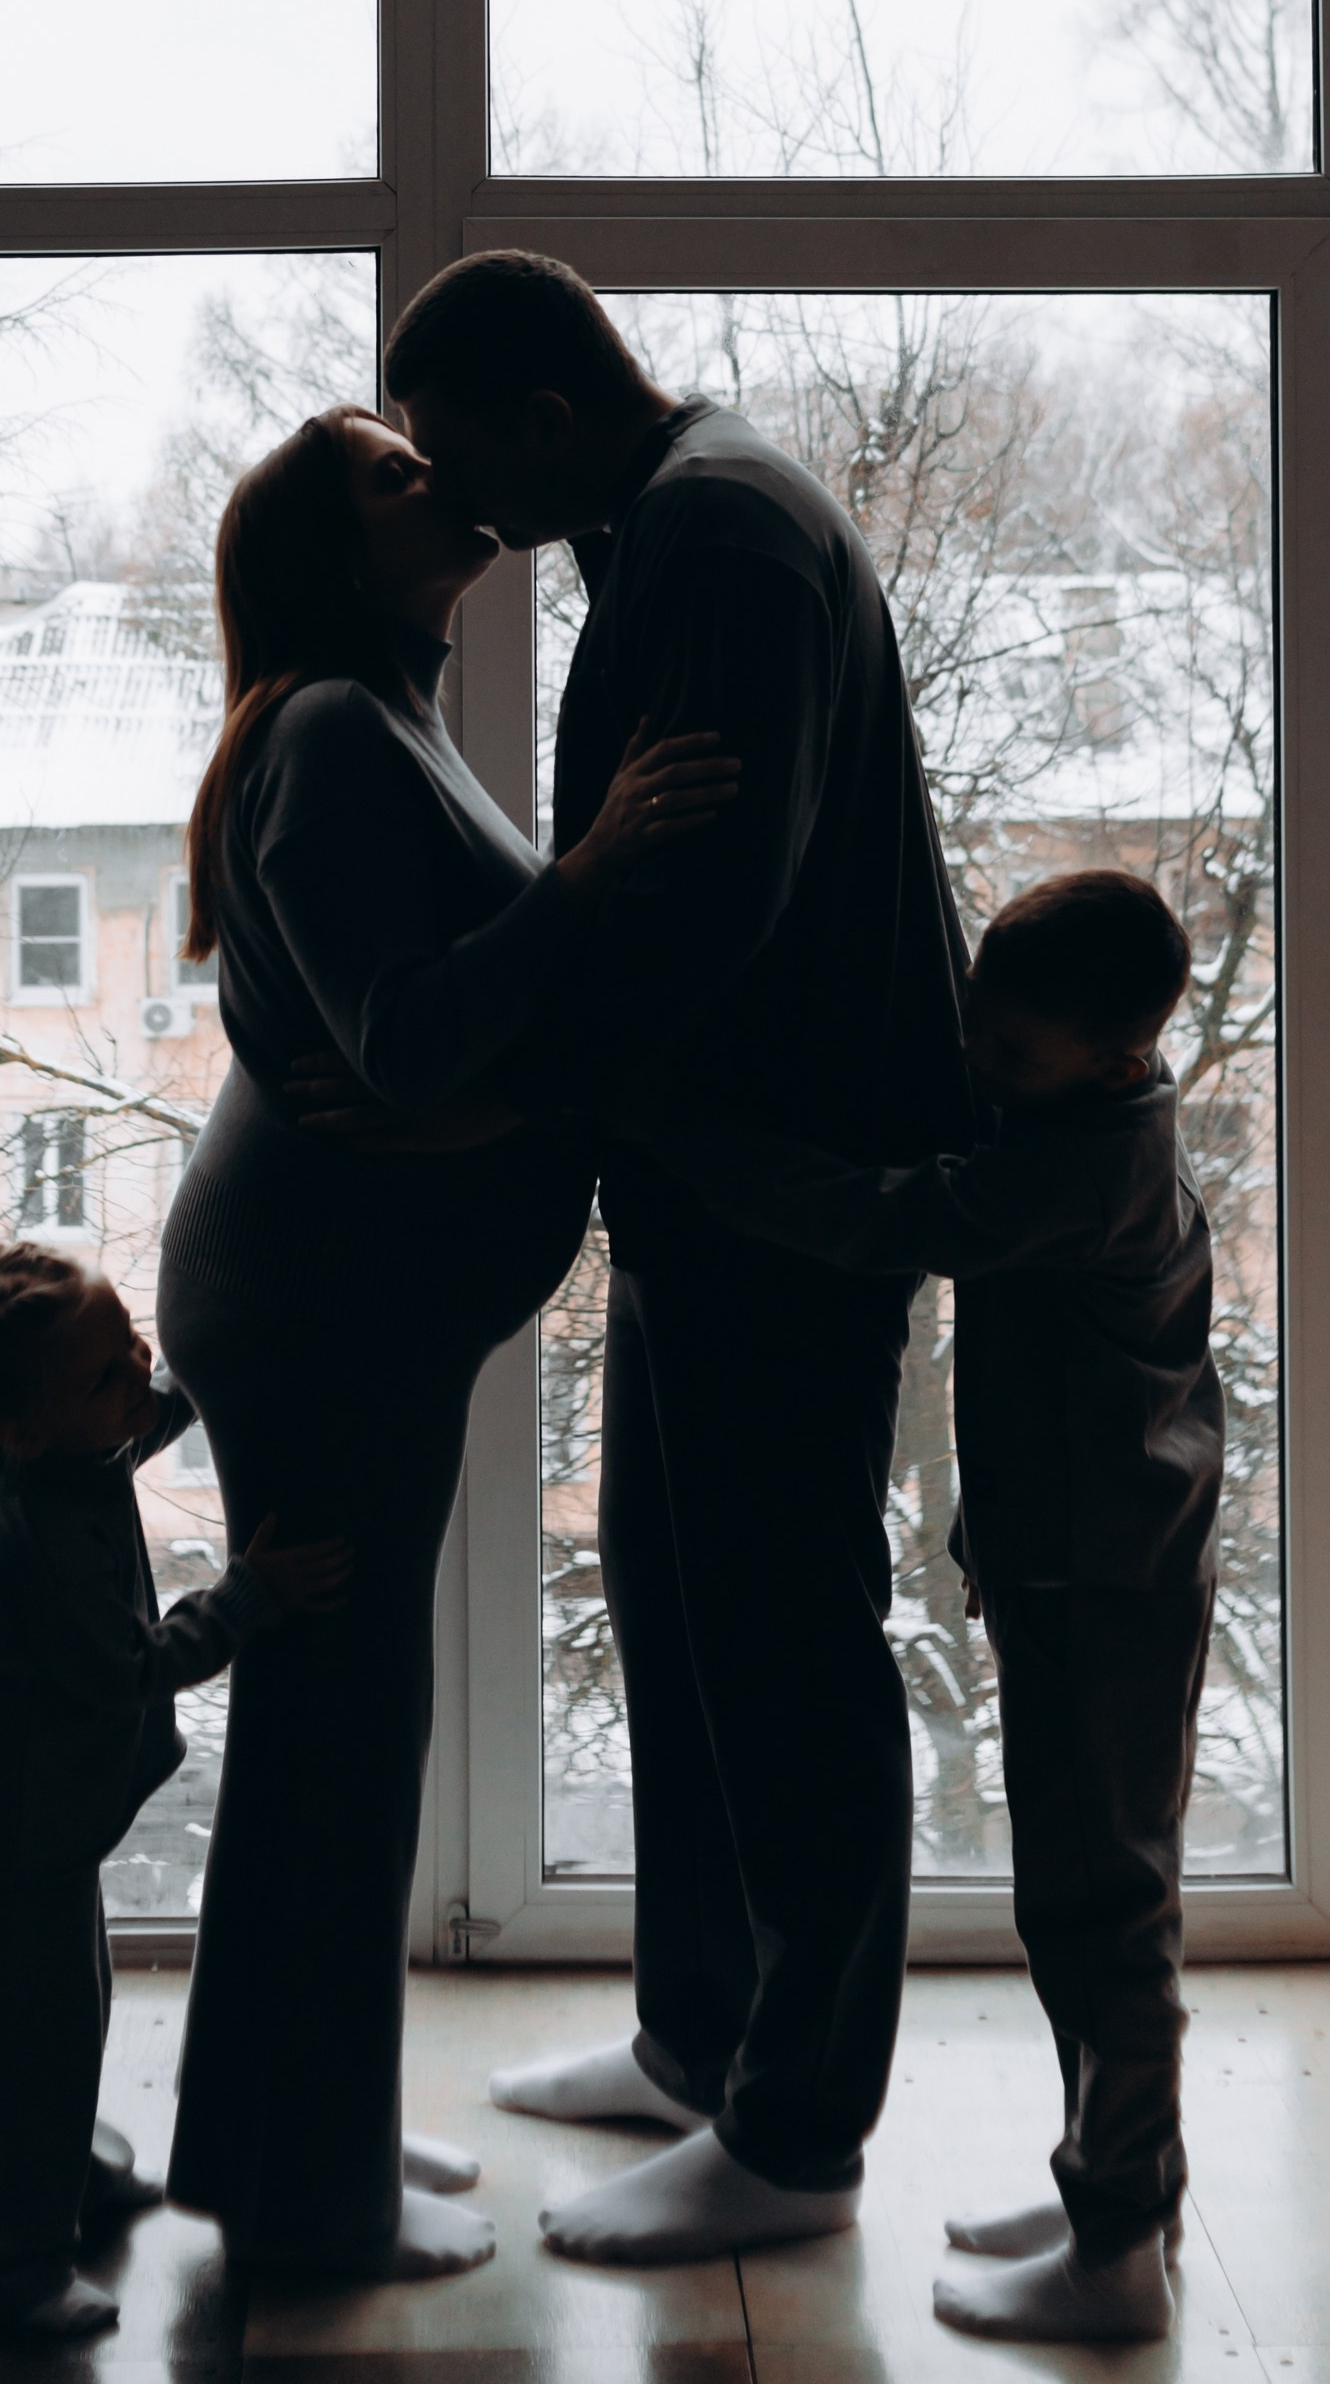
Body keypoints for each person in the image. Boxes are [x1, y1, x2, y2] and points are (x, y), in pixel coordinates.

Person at [377, 250, 975, 2267]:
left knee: (781, 1633)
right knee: (677, 1590)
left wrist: (509, 1088)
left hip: (771, 1180)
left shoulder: (712, 534)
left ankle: (793, 2137)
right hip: (722, 1172)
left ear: (548, 415)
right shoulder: (697, 506)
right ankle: (702, 2030)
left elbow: (709, 891)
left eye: (468, 464)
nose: (459, 511)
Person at [155, 402, 738, 2279]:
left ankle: (283, 2146)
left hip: (351, 1305)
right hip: (319, 1312)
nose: (443, 481)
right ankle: (297, 2209)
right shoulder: (331, 725)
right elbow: (400, 1037)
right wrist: (581, 880)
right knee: (336, 1738)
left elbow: (430, 1042)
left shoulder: (375, 710)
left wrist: (517, 1104)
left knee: (338, 1733)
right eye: (396, 477)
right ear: (338, 551)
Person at [679, 867, 1224, 2347]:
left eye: (1011, 1056)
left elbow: (893, 1218)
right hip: (1089, 1557)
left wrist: (705, 1161)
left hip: (1102, 1581)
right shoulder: (1101, 1114)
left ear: (1110, 1059)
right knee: (1092, 1900)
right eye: (980, 1035)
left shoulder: (1076, 1168)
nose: (981, 1070)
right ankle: (1117, 2184)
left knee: (1100, 1910)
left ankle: (1118, 2249)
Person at [0, 1238, 348, 2343]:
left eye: (131, 1341)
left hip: (40, 1820)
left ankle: (76, 2173)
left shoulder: (68, 1449)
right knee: (19, 2039)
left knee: (62, 2012)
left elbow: (155, 1409)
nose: (138, 1369)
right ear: (21, 1425)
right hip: (11, 1828)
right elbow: (129, 1666)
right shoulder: (33, 1539)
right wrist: (249, 1595)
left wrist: (220, 1344)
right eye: (111, 1368)